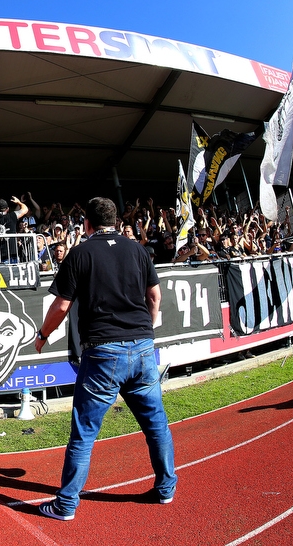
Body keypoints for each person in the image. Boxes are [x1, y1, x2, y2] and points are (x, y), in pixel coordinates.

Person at [34, 196, 176, 521]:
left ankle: (66, 504)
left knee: (84, 434)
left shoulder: (80, 253)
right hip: (142, 349)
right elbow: (154, 295)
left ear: (87, 224)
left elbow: (61, 306)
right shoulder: (138, 249)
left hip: (103, 352)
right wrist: (147, 327)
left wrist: (42, 336)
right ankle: (166, 488)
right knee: (156, 426)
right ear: (115, 220)